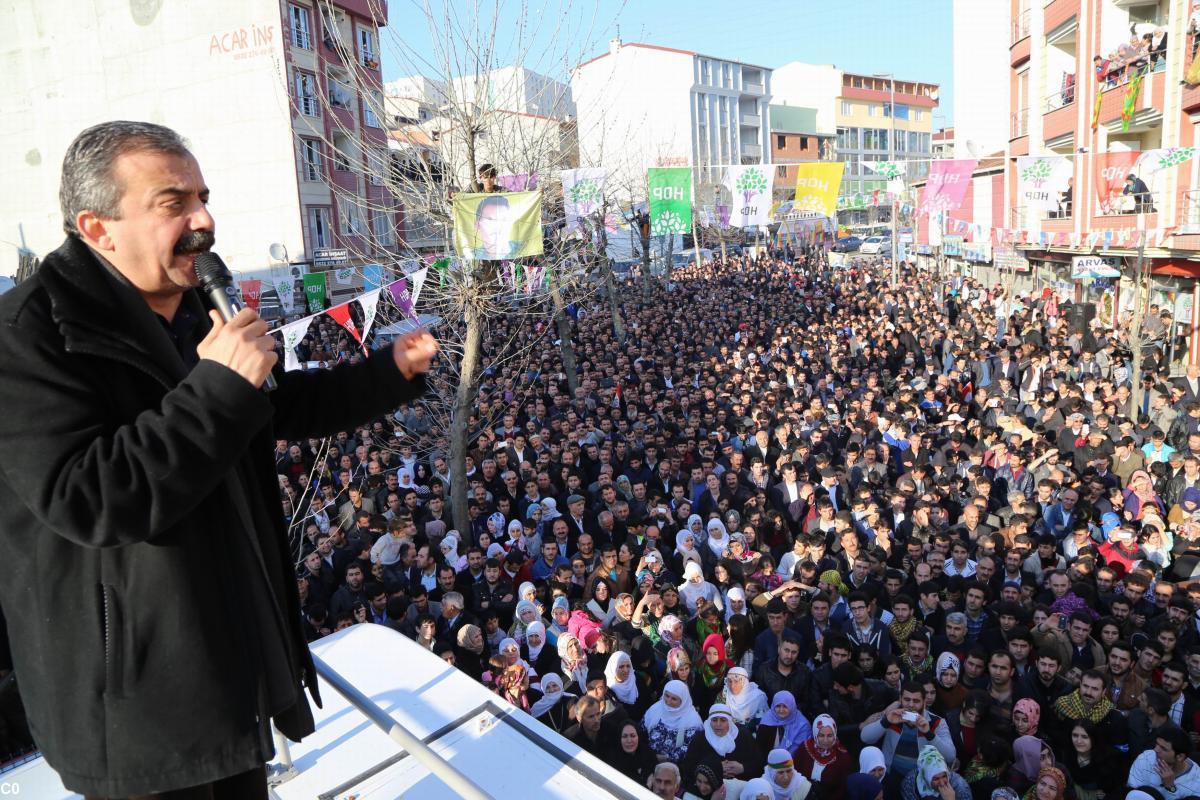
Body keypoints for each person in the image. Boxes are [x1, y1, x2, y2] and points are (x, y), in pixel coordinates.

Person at [0, 121, 437, 797]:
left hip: (229, 669)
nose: (204, 220)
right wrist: (217, 387)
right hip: (137, 707)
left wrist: (391, 372)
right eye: (173, 204)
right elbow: (90, 497)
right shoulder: (27, 338)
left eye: (203, 197)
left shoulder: (190, 307)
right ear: (97, 227)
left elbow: (277, 404)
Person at [1126, 724, 1200, 798]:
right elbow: (1133, 792)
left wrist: (1171, 788)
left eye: (1163, 748)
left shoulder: (1196, 781)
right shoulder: (1146, 758)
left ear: (1180, 757)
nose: (1156, 750)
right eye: (1157, 744)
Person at [793, 714, 853, 800]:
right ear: (815, 734)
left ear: (835, 734)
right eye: (821, 735)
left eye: (829, 735)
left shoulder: (842, 756)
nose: (825, 740)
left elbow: (841, 789)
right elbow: (794, 774)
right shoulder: (805, 748)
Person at [643, 679, 703, 763]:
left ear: (683, 700)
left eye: (674, 699)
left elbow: (689, 749)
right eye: (666, 696)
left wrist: (665, 758)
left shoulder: (693, 720)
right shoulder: (655, 709)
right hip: (648, 758)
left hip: (674, 766)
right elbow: (641, 731)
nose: (668, 701)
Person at [756, 690, 813, 759]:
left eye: (785, 706)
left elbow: (802, 751)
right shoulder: (767, 719)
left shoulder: (802, 725)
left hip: (793, 764)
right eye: (778, 706)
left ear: (791, 706)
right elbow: (760, 748)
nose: (781, 710)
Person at [900, 746, 971, 800]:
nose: (942, 783)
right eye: (936, 779)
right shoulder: (911, 783)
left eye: (944, 776)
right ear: (925, 777)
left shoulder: (959, 786)